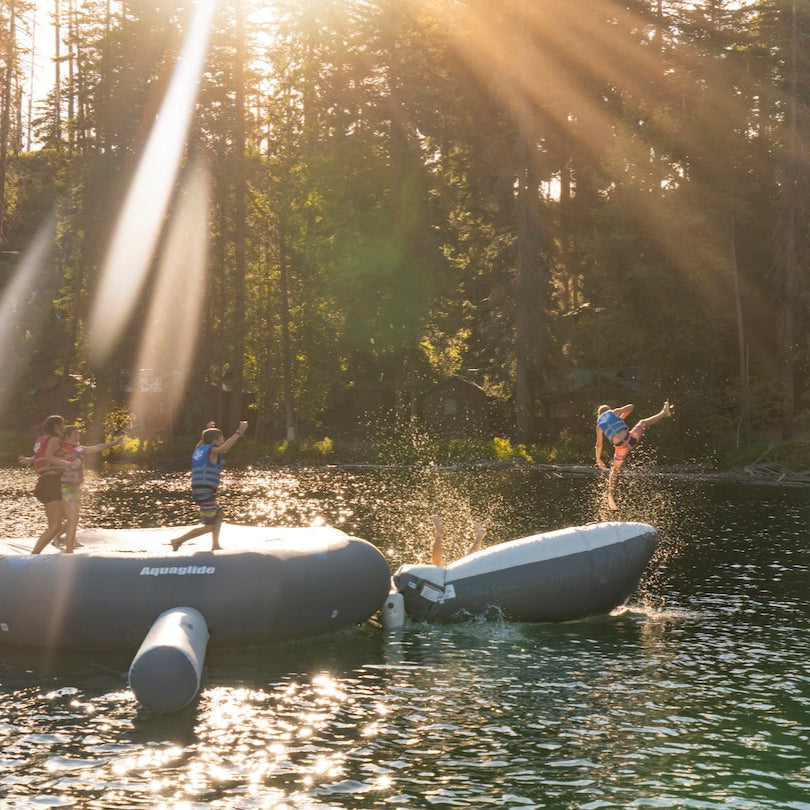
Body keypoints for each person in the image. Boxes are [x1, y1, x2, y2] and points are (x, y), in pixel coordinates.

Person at [171, 420, 248, 552]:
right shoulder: (213, 450)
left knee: (219, 514)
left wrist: (208, 430)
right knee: (208, 526)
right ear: (215, 441)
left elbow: (204, 441)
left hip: (201, 491)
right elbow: (224, 448)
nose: (223, 440)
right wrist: (239, 433)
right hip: (204, 492)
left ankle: (215, 544)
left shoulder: (199, 450)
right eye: (221, 438)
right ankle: (178, 541)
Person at [595, 400, 673, 510]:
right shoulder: (615, 412)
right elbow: (631, 406)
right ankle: (664, 413)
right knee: (642, 423)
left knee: (615, 470)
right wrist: (621, 417)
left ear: (599, 415)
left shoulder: (599, 426)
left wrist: (598, 459)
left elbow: (599, 445)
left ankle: (610, 493)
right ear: (609, 410)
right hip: (631, 438)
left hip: (621, 448)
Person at [57, 426, 122, 553]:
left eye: (78, 434)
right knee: (72, 515)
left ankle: (60, 536)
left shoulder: (80, 449)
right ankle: (68, 540)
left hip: (76, 485)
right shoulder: (60, 448)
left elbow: (96, 447)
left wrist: (113, 443)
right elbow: (45, 455)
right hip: (63, 485)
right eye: (75, 434)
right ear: (67, 436)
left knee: (75, 515)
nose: (78, 437)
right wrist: (31, 459)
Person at [24, 415, 81, 555]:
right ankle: (33, 556)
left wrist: (30, 459)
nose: (64, 427)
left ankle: (69, 549)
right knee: (55, 526)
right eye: (62, 424)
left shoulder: (44, 439)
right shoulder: (54, 439)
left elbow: (42, 456)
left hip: (49, 483)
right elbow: (49, 457)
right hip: (51, 484)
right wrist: (69, 464)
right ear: (56, 427)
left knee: (71, 517)